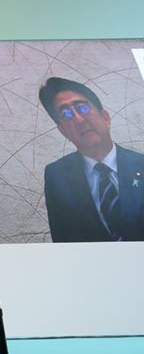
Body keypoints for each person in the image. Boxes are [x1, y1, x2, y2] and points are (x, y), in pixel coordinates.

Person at [39, 77, 144, 242]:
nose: (79, 120)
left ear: (105, 118)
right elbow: (63, 239)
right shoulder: (57, 176)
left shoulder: (141, 164)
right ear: (63, 131)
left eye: (83, 108)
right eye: (66, 114)